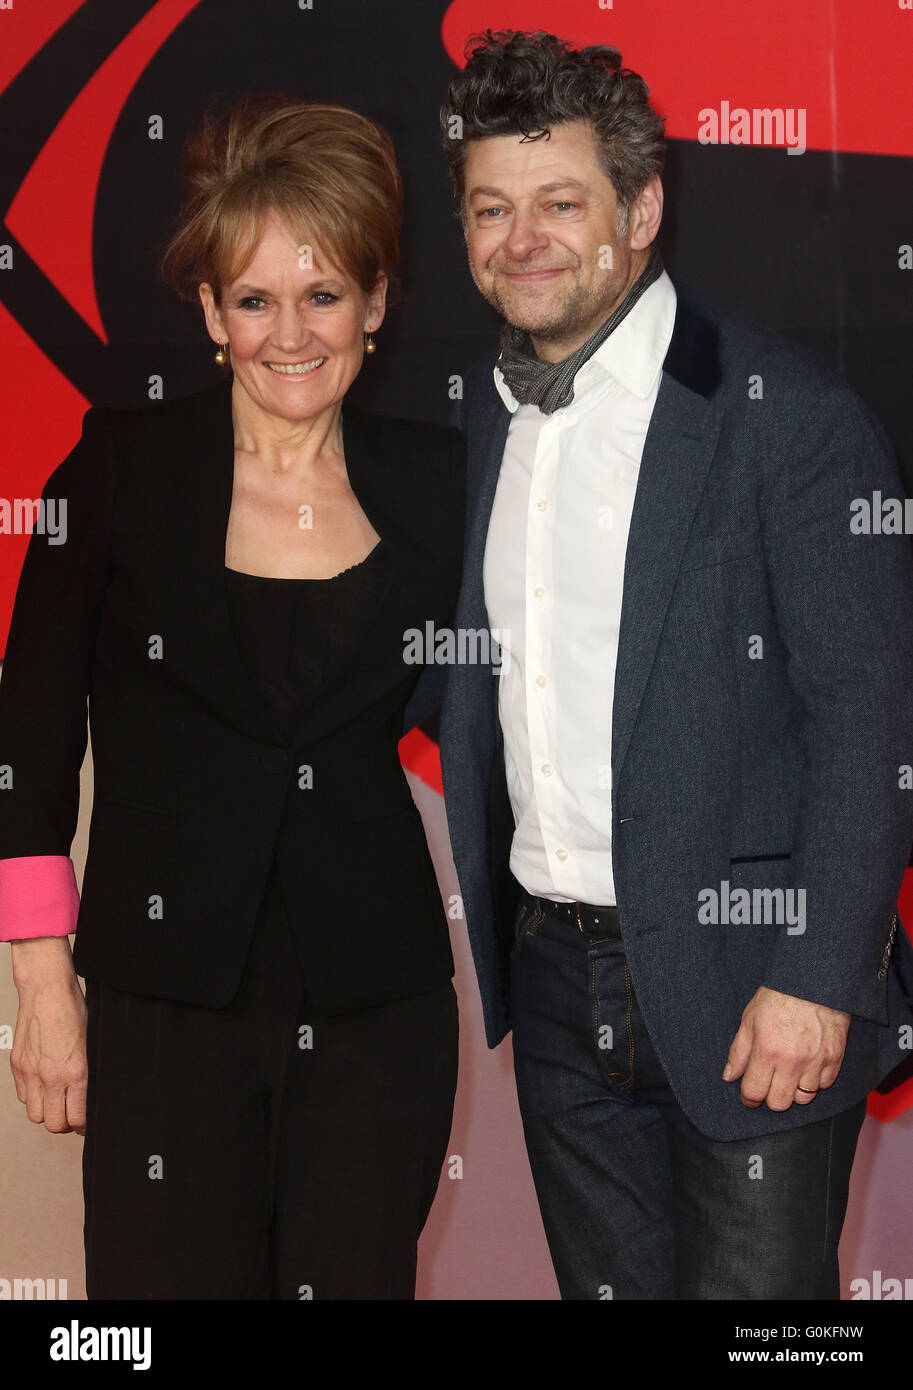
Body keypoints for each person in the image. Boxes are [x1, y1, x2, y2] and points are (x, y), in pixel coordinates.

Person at [438, 29, 913, 1299]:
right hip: (555, 986)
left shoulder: (787, 419)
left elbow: (871, 720)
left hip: (750, 981)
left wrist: (818, 976)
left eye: (558, 203)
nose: (519, 237)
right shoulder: (490, 413)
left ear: (641, 211)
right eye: (491, 208)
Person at [0, 93, 464, 1299]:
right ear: (211, 314)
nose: (290, 334)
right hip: (165, 1013)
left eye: (322, 295)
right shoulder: (118, 470)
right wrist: (44, 990)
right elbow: (26, 747)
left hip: (376, 1011)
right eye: (254, 300)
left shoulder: (444, 486)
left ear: (375, 301)